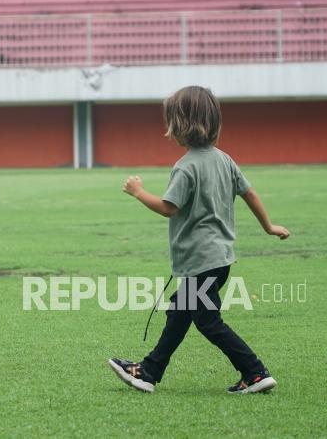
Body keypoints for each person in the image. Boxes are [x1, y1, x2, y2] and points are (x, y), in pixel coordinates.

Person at [108, 86, 290, 394]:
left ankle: (255, 372)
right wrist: (268, 226)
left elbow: (168, 208)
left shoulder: (186, 166)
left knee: (207, 321)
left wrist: (139, 193)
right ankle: (149, 371)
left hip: (200, 262)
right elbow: (249, 193)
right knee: (180, 313)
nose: (168, 131)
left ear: (181, 125)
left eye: (170, 123)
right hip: (219, 260)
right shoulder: (225, 160)